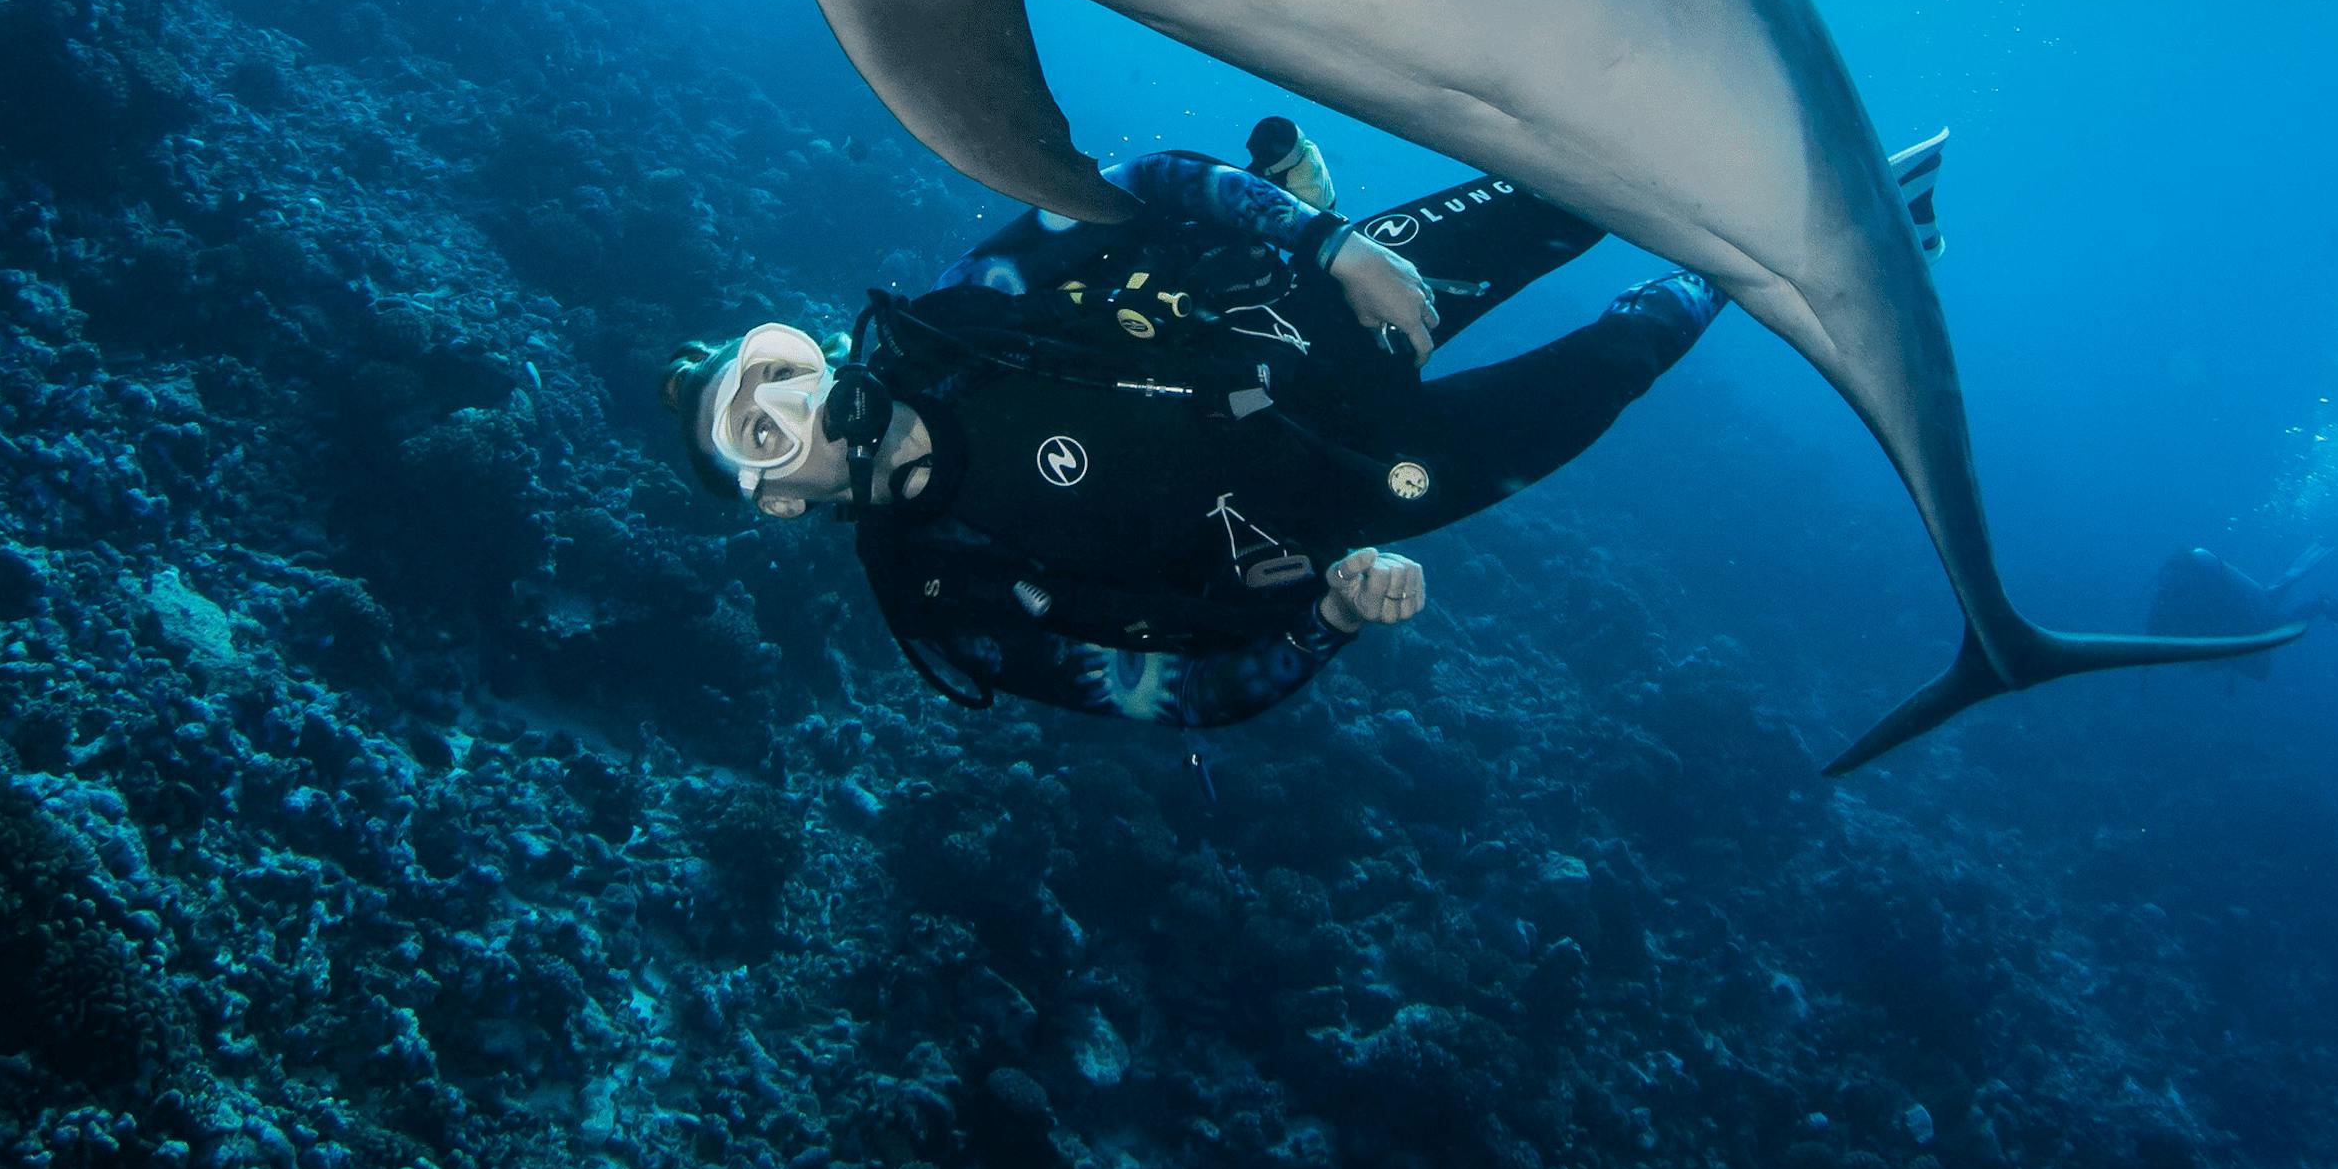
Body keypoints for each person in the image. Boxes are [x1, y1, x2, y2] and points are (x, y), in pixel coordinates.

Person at [662, 116, 1946, 732]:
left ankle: (1781, 135)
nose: (793, 404)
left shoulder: (965, 310)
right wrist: (1336, 617)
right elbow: (1178, 693)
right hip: (1358, 496)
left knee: (1574, 188)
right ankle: (1799, 251)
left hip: (1326, 309)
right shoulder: (950, 599)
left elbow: (1133, 182)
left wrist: (1324, 244)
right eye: (760, 434)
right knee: (1619, 356)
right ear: (782, 500)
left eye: (772, 368)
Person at [2145, 542, 2338, 679]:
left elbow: (2227, 619)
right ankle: (2300, 593)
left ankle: (2321, 604)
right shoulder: (2189, 595)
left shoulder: (2183, 597)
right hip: (2246, 607)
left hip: (2250, 613)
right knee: (2271, 600)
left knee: (2274, 621)